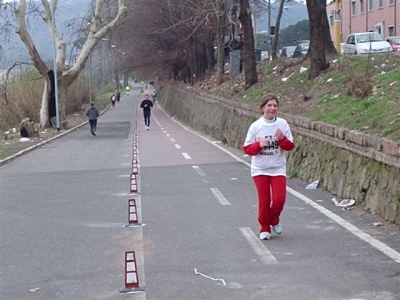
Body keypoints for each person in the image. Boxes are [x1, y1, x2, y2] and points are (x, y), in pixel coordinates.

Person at [243, 93, 295, 241]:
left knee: (279, 200)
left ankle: (274, 219)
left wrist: (282, 139)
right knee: (264, 201)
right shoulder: (256, 126)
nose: (272, 108)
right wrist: (259, 145)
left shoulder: (282, 124)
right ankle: (265, 227)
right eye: (269, 105)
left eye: (275, 106)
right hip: (260, 169)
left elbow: (290, 146)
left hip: (277, 168)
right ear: (262, 108)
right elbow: (247, 149)